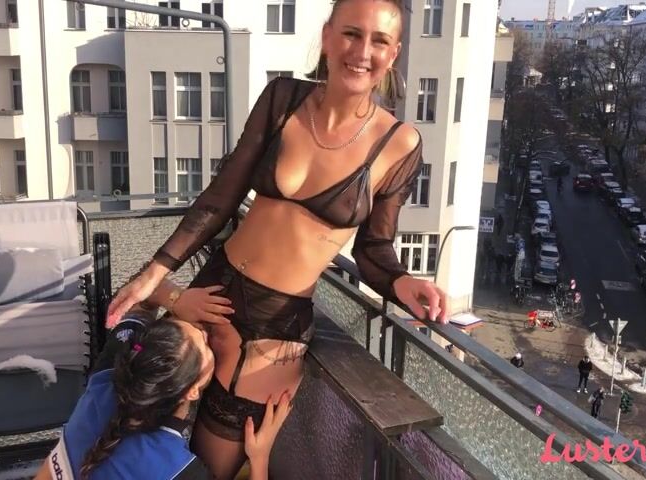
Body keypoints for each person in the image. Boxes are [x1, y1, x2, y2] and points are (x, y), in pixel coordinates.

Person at [106, 0, 449, 477]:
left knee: (211, 469)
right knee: (135, 434)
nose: (362, 52)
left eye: (380, 41)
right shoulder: (283, 98)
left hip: (273, 331)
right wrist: (157, 276)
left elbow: (372, 248)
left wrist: (400, 282)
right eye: (351, 33)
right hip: (212, 290)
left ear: (393, 55)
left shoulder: (399, 145)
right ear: (327, 37)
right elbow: (222, 196)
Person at [33, 292, 290, 480]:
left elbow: (139, 298)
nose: (205, 332)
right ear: (192, 390)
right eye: (204, 344)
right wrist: (259, 456)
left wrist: (176, 299)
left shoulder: (106, 380)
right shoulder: (174, 468)